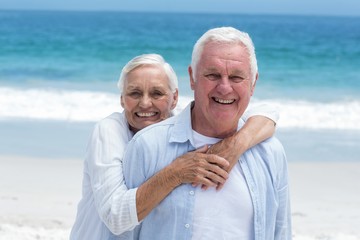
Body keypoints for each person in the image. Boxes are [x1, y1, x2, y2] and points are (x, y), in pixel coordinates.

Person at [70, 54, 279, 239]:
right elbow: (116, 216)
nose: (145, 103)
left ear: (174, 98)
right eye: (134, 93)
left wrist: (236, 145)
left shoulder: (177, 128)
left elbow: (267, 113)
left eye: (156, 93)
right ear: (122, 100)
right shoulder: (110, 130)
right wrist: (176, 172)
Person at [122, 27, 291, 239]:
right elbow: (122, 230)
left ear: (253, 83)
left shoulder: (270, 152)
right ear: (192, 78)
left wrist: (237, 144)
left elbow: (281, 232)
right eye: (212, 75)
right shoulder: (147, 145)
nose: (224, 87)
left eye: (237, 77)